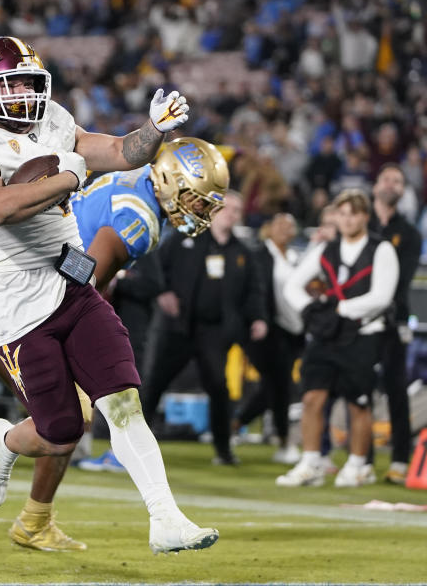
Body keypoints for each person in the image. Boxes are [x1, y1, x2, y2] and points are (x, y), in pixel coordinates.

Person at [0, 35, 217, 554]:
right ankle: (3, 440)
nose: (23, 91)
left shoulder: (54, 122)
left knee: (124, 401)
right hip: (17, 305)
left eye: (27, 81)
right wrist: (67, 176)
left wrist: (153, 130)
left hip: (74, 287)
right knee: (62, 430)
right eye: (9, 83)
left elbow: (116, 151)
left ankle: (166, 519)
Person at [277, 189, 399, 487]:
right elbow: (293, 285)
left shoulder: (380, 249)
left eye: (353, 213)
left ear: (365, 217)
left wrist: (339, 307)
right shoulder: (325, 250)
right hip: (327, 335)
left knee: (357, 402)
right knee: (311, 397)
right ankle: (311, 462)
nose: (347, 219)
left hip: (363, 333)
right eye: (342, 214)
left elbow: (382, 297)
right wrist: (310, 310)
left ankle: (358, 464)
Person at [141, 191, 268, 465]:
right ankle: (133, 445)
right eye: (226, 208)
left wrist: (258, 318)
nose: (231, 214)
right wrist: (162, 292)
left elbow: (253, 291)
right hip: (177, 327)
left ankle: (223, 449)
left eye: (236, 210)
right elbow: (156, 264)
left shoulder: (241, 252)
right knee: (153, 384)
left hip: (214, 332)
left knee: (219, 388)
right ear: (213, 210)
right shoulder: (186, 237)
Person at [233, 213, 304, 465]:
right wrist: (256, 319)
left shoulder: (297, 257)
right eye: (280, 224)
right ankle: (284, 441)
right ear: (269, 228)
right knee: (280, 384)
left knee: (273, 386)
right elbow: (254, 291)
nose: (286, 228)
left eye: (290, 224)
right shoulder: (259, 255)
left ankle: (235, 423)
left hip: (294, 331)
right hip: (267, 330)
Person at [368, 164, 420, 484]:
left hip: (392, 319)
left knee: (395, 389)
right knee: (353, 387)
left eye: (398, 181)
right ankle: (361, 459)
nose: (391, 184)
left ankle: (400, 458)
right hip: (356, 319)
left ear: (402, 190)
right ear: (376, 185)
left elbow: (401, 281)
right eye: (386, 178)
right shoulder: (359, 222)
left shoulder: (410, 233)